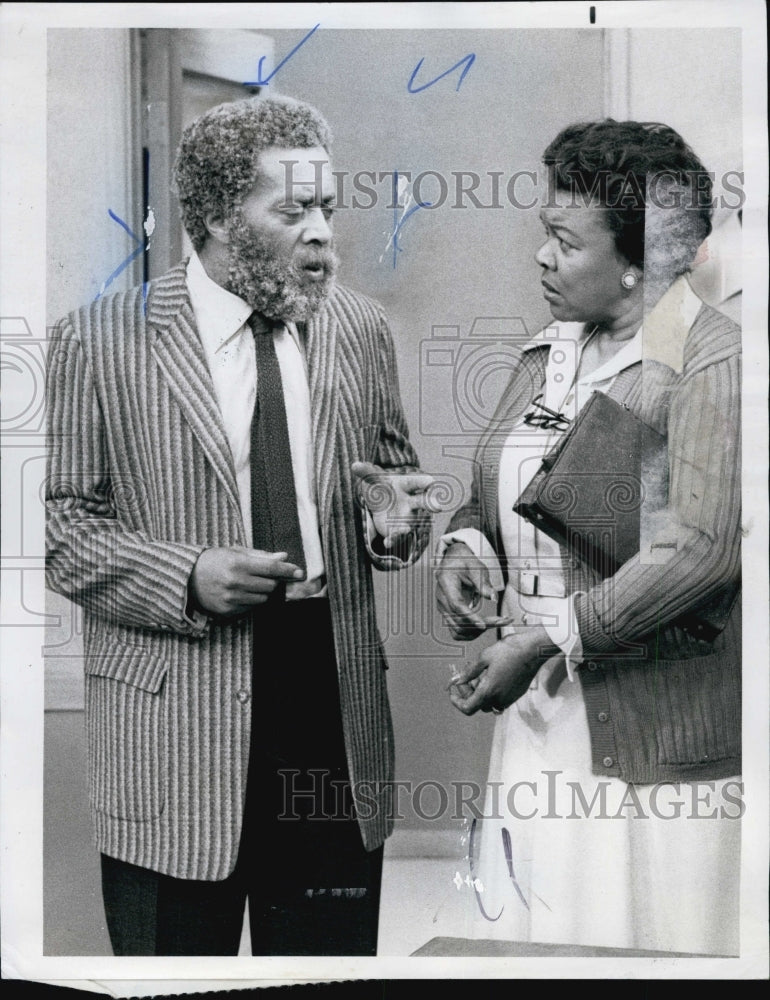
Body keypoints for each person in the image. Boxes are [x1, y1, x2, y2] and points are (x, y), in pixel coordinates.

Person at [45, 95, 431, 956]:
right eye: (293, 211)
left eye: (328, 206)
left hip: (330, 709)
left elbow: (394, 489)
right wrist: (184, 576)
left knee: (325, 966)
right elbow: (58, 527)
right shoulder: (99, 341)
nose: (323, 232)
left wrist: (398, 526)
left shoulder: (361, 330)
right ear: (220, 217)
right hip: (171, 730)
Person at [436, 120, 741, 955]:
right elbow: (498, 493)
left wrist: (550, 637)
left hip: (651, 737)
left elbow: (703, 549)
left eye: (566, 242)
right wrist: (468, 550)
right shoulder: (549, 353)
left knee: (633, 949)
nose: (542, 257)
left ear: (642, 261)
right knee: (531, 949)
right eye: (544, 233)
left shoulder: (711, 363)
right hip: (536, 715)